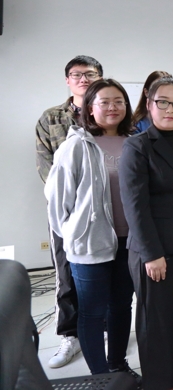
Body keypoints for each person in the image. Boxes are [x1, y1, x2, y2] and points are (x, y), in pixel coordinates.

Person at [45, 79, 139, 381]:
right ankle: (100, 376)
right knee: (92, 311)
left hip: (129, 242)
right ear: (89, 108)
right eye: (105, 102)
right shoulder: (76, 145)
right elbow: (57, 202)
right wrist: (76, 233)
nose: (113, 107)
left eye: (119, 101)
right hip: (89, 245)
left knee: (121, 307)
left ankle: (118, 366)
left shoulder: (134, 142)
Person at [119, 76, 173, 390]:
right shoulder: (137, 145)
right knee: (155, 325)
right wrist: (152, 254)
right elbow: (134, 205)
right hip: (155, 249)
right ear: (149, 104)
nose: (170, 109)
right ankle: (157, 383)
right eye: (163, 102)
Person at [35, 54, 103, 369]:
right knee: (66, 275)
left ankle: (103, 329)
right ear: (67, 80)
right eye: (77, 74)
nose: (83, 79)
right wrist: (71, 204)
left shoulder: (108, 111)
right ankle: (70, 335)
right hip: (65, 213)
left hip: (104, 210)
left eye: (90, 74)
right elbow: (46, 167)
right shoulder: (51, 118)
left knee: (105, 273)